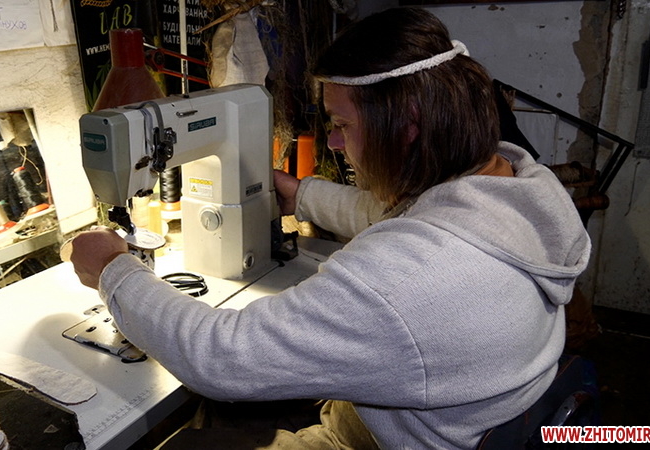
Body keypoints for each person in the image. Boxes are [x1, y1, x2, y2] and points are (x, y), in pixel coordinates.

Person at [69, 7, 591, 449]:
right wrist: (304, 195)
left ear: (408, 122)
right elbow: (415, 218)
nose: (336, 143)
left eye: (342, 125)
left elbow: (221, 358)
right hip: (472, 414)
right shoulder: (519, 183)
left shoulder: (408, 278)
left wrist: (114, 271)